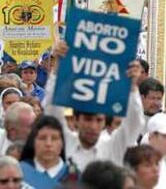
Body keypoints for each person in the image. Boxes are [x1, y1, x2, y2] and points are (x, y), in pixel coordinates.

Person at [45, 42, 145, 171]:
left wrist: (131, 87)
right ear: (76, 120)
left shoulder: (113, 147)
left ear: (104, 122)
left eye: (98, 120)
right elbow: (52, 109)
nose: (93, 126)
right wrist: (58, 68)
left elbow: (134, 123)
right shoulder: (63, 143)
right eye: (88, 119)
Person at [19, 115, 78, 188]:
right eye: (42, 138)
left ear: (62, 143)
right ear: (33, 142)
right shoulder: (19, 172)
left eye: (54, 138)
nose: (48, 144)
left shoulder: (74, 177)